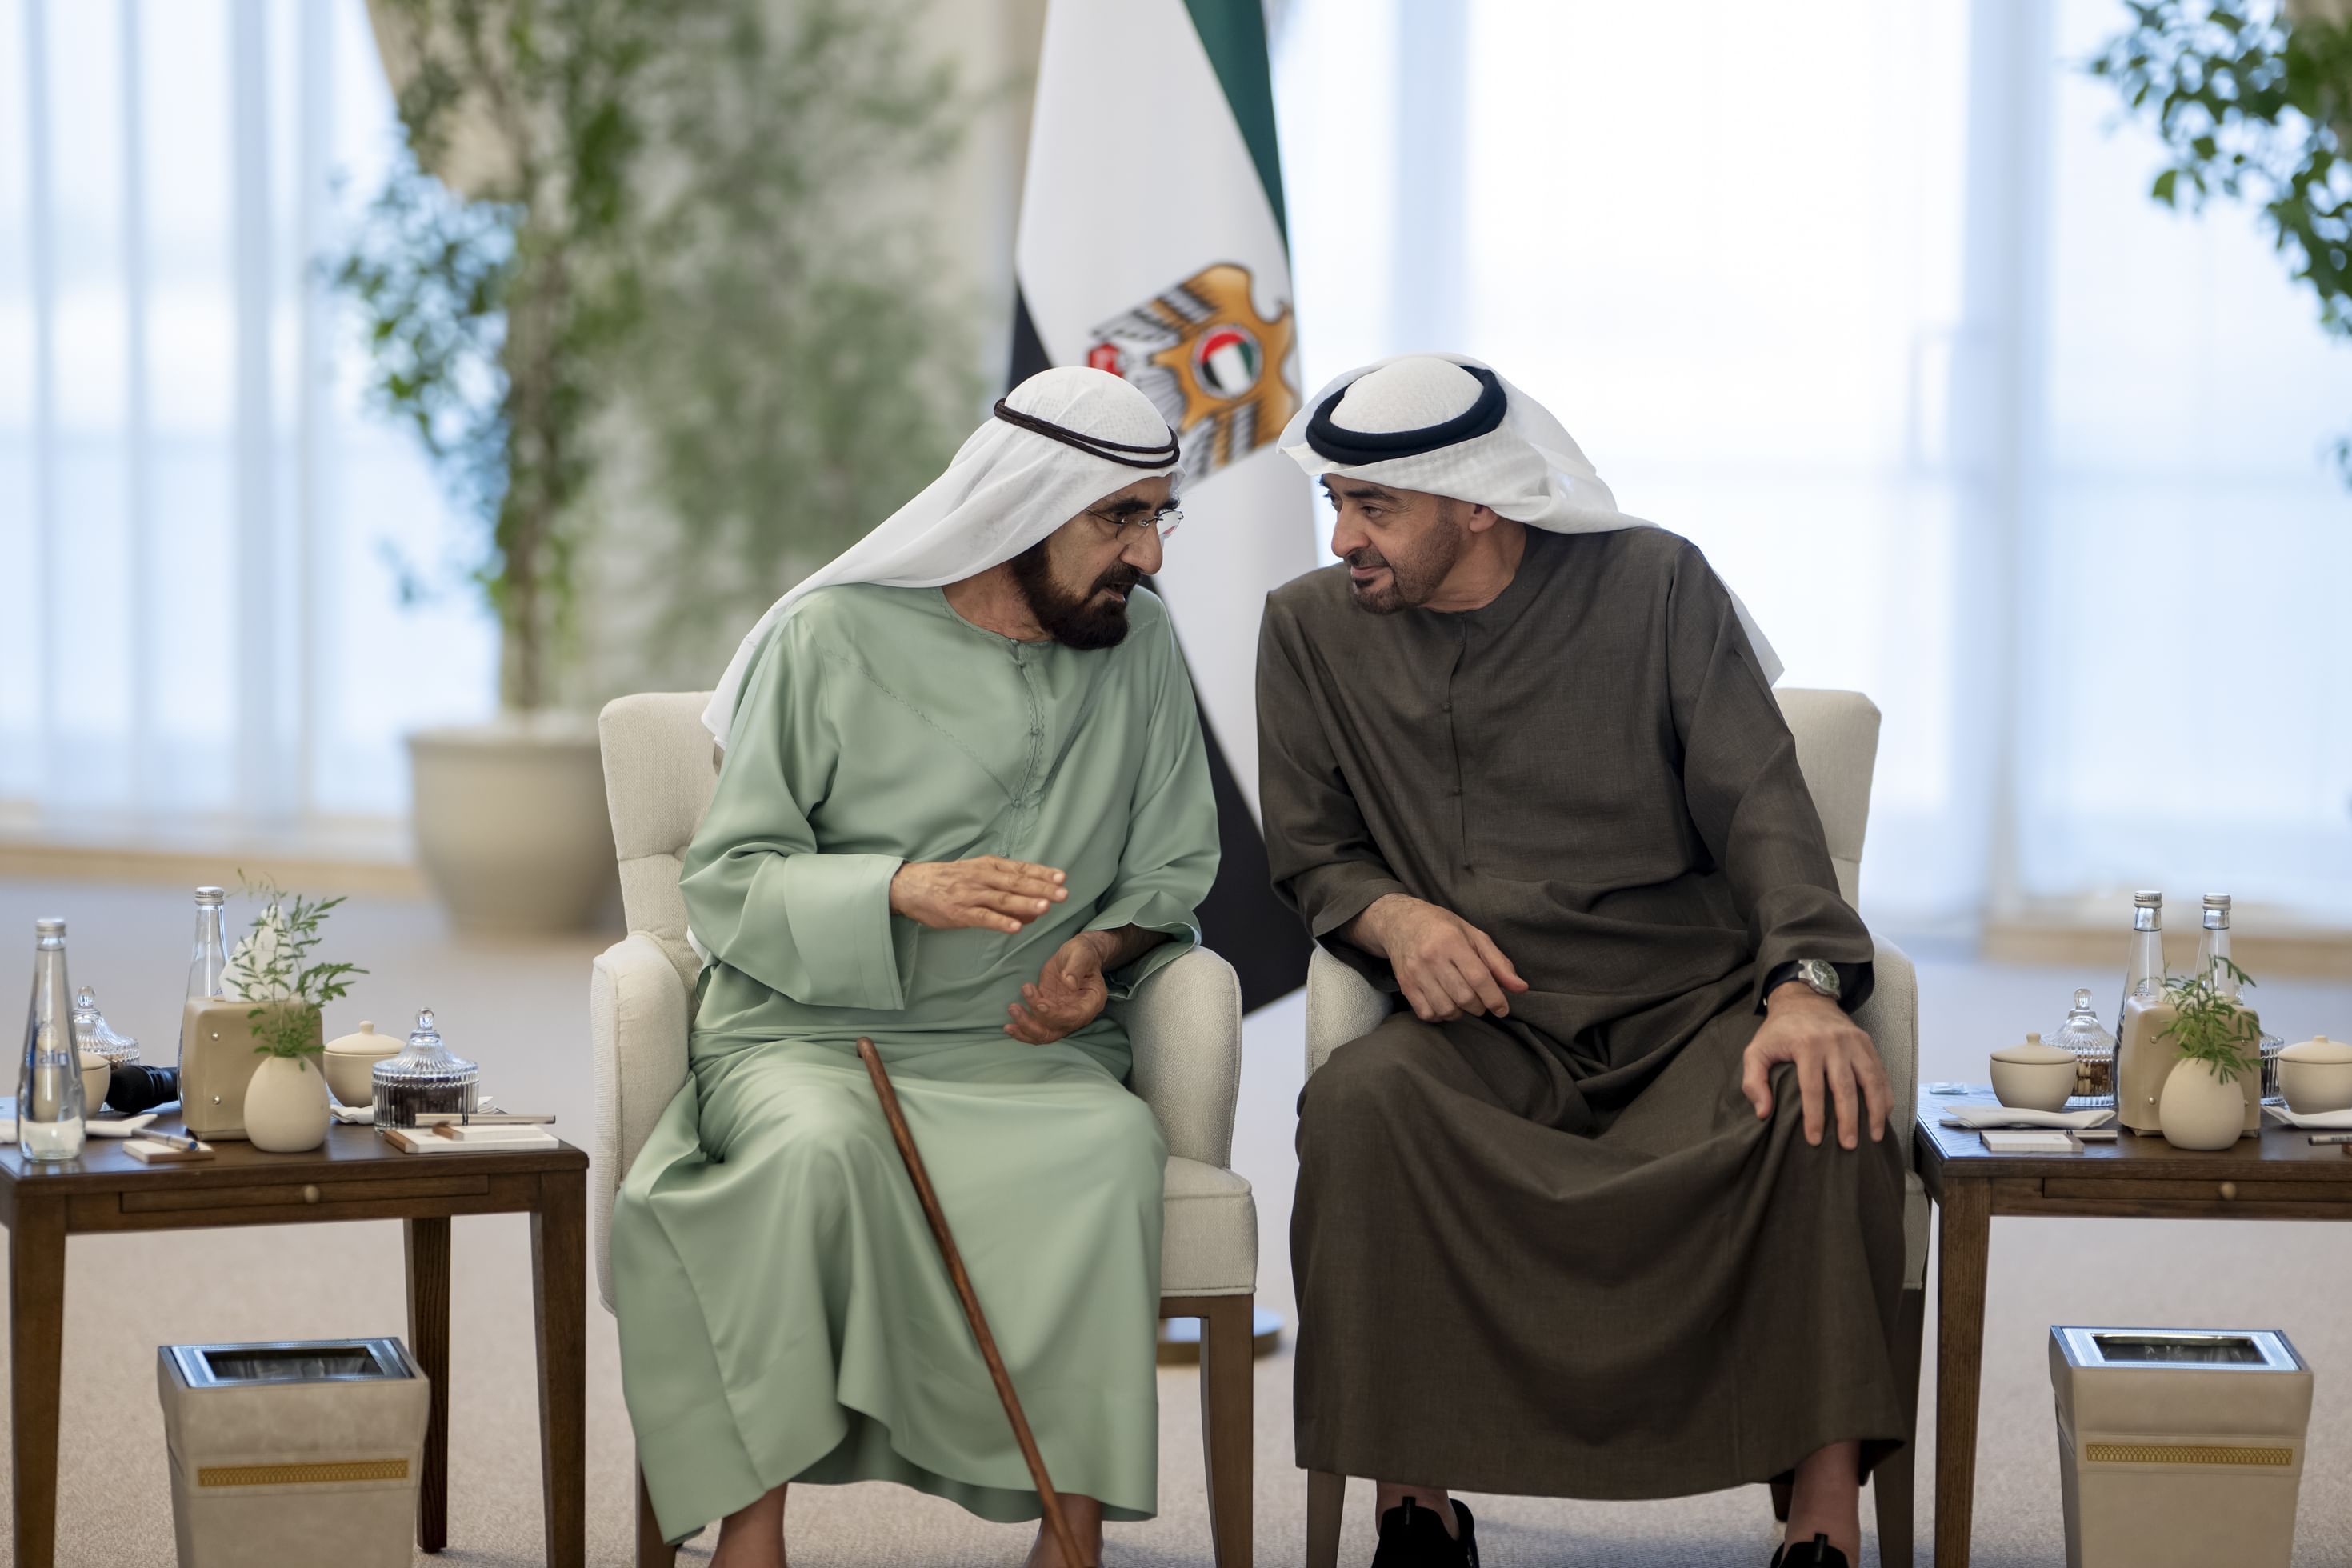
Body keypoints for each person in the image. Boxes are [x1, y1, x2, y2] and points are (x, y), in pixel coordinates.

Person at [1257, 354, 1905, 1568]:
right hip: (1481, 1030)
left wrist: (1804, 990)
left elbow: (1764, 814)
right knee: (1360, 1107)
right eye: (1335, 502)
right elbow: (1309, 849)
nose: (1343, 537)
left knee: (1821, 1101)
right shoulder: (1307, 627)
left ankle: (1823, 1524)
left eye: (1373, 507)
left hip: (1686, 1010)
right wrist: (1394, 919)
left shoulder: (1656, 584)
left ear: (1477, 502)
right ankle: (1415, 1509)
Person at [613, 367, 1219, 1568]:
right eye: (1121, 519)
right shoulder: (829, 637)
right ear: (1024, 506)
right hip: (812, 1037)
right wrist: (897, 887)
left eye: (1160, 519)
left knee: (1108, 1149)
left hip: (1021, 1045)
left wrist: (1098, 952)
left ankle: (1073, 1533)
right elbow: (727, 880)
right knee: (814, 1153)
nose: (1148, 556)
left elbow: (1173, 865)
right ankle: (752, 1534)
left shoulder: (1140, 643)